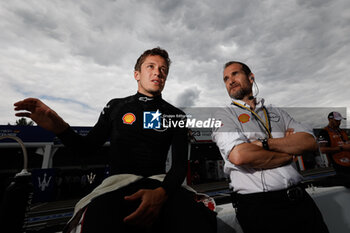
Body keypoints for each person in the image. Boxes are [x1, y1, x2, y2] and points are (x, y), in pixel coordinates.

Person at [14, 48, 217, 233]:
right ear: (136, 74)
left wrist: (161, 193)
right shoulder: (115, 107)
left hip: (160, 185)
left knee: (198, 219)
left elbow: (180, 166)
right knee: (97, 219)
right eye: (151, 66)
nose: (158, 72)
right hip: (115, 186)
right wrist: (59, 127)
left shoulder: (176, 115)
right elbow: (86, 148)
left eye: (163, 69)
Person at [211, 61, 329, 233]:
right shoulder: (224, 114)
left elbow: (309, 142)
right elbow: (240, 156)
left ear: (251, 78)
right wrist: (288, 153)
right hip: (260, 208)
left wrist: (264, 144)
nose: (230, 81)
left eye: (235, 74)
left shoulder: (276, 112)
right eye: (226, 79)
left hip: (301, 201)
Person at [317, 112, 350, 184]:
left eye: (340, 120)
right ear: (330, 120)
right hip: (338, 166)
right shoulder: (324, 132)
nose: (339, 122)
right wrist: (342, 148)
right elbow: (322, 150)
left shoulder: (342, 131)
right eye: (336, 120)